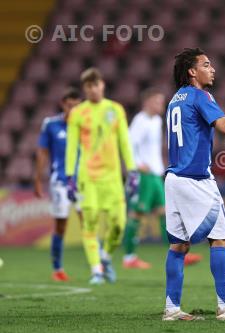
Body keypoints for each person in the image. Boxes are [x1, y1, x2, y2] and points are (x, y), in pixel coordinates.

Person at [162, 48, 225, 321]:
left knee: (178, 246)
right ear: (192, 72)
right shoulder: (200, 95)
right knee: (221, 239)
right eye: (206, 65)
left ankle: (172, 310)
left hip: (173, 179)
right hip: (196, 178)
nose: (213, 69)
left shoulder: (175, 99)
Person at [65, 68, 139, 285]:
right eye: (88, 86)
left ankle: (105, 257)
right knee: (90, 225)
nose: (93, 89)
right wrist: (70, 176)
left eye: (95, 85)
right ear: (85, 89)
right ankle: (96, 270)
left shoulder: (115, 109)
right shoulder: (77, 113)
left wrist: (132, 170)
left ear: (102, 85)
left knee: (118, 224)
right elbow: (71, 147)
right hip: (88, 178)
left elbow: (124, 141)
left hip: (113, 178)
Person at [123, 88, 202, 269]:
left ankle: (178, 254)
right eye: (157, 101)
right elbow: (128, 144)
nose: (161, 105)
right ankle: (129, 258)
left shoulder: (157, 120)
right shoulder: (140, 121)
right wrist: (137, 164)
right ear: (147, 102)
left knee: (165, 213)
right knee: (137, 213)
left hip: (156, 174)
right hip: (144, 175)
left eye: (161, 101)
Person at [33, 87, 82, 281]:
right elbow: (42, 152)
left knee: (89, 223)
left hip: (83, 182)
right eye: (70, 106)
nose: (73, 110)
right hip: (60, 181)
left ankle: (99, 266)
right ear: (63, 104)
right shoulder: (51, 124)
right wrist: (37, 179)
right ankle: (57, 268)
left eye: (77, 107)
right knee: (61, 224)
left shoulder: (85, 125)